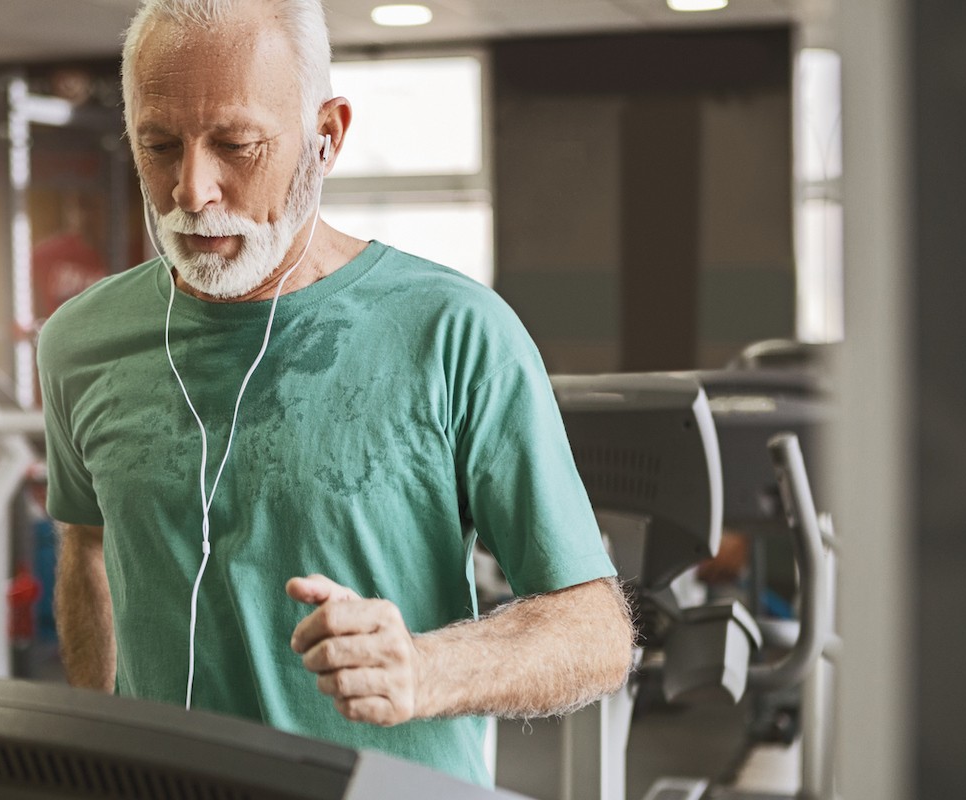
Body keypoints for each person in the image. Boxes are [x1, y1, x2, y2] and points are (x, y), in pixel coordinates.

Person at [37, 0, 634, 786]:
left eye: (237, 145)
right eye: (158, 145)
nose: (192, 189)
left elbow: (595, 632)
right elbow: (88, 549)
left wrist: (425, 668)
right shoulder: (79, 341)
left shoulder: (454, 331)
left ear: (329, 134)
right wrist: (102, 749)